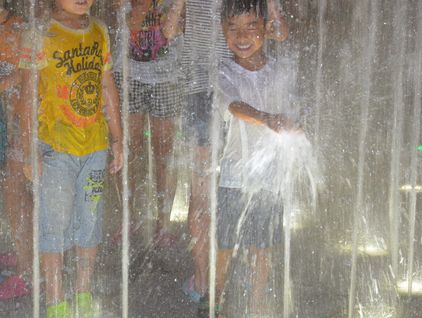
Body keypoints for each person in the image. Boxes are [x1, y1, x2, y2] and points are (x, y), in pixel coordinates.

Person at [162, 0, 287, 315]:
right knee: (203, 191)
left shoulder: (250, 15)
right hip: (206, 91)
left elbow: (280, 33)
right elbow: (167, 30)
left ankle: (242, 280)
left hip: (245, 88)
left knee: (244, 184)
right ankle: (207, 281)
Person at [18, 0, 123, 316]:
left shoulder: (98, 30)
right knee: (54, 226)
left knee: (90, 223)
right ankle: (56, 301)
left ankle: (84, 294)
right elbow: (27, 95)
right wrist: (28, 149)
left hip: (94, 148)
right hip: (55, 149)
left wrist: (118, 139)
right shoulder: (40, 33)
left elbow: (107, 86)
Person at [215, 0, 297, 316]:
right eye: (233, 28)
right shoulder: (224, 70)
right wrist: (268, 119)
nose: (242, 35)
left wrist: (295, 128)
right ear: (223, 32)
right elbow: (235, 106)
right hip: (234, 175)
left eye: (251, 26)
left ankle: (257, 303)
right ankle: (217, 298)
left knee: (262, 246)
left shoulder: (280, 71)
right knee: (225, 244)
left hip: (270, 175)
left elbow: (292, 112)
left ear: (265, 28)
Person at [112, 0, 184, 248]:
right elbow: (128, 21)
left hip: (168, 76)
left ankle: (164, 224)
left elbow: (172, 30)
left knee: (165, 151)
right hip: (128, 73)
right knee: (128, 149)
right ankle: (128, 219)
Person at [0, 3, 32, 300]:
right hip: (11, 124)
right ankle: (23, 256)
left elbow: (22, 78)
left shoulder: (19, 28)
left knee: (16, 193)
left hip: (23, 125)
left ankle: (28, 270)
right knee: (12, 193)